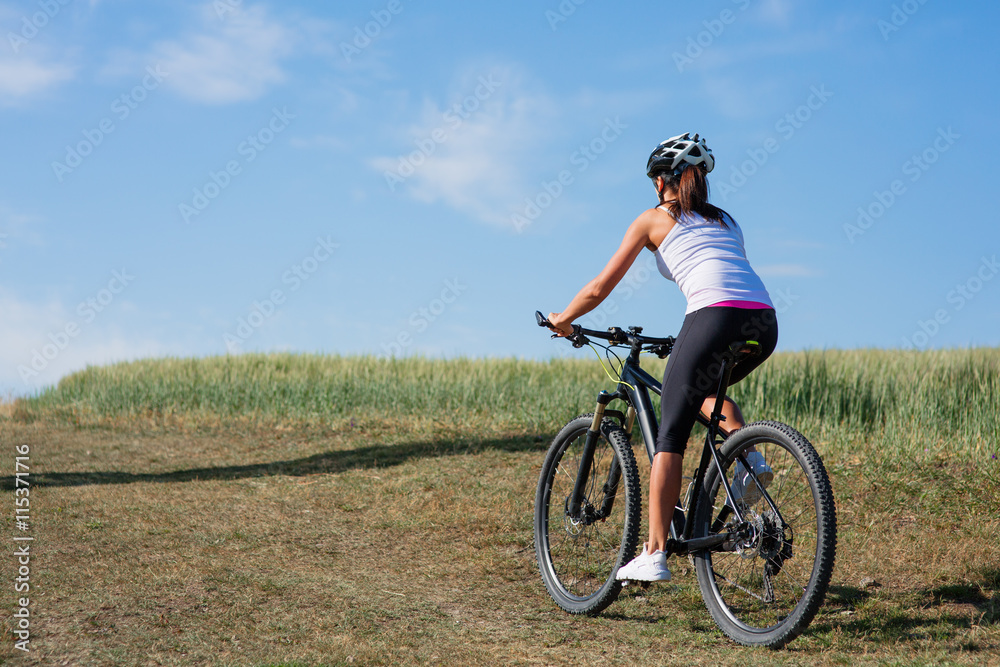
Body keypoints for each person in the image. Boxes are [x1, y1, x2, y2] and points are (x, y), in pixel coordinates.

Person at [545, 133, 779, 582]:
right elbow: (726, 274)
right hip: (763, 322)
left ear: (661, 181)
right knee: (710, 395)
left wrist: (564, 318)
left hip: (712, 315)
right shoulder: (727, 221)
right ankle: (752, 464)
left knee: (669, 436)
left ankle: (653, 551)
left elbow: (598, 288)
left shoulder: (653, 219)